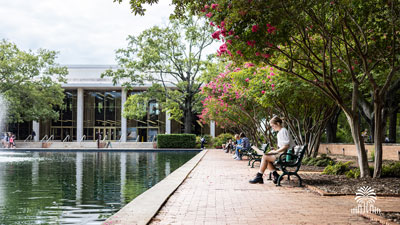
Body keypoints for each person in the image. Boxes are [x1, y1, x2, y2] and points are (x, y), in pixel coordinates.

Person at [249, 116, 295, 184]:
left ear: (278, 123)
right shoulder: (280, 132)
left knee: (265, 157)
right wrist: (274, 151)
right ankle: (274, 176)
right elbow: (283, 146)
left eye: (273, 126)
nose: (272, 128)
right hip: (284, 154)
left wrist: (276, 152)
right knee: (266, 157)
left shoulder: (283, 131)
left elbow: (286, 146)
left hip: (286, 155)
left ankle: (260, 176)